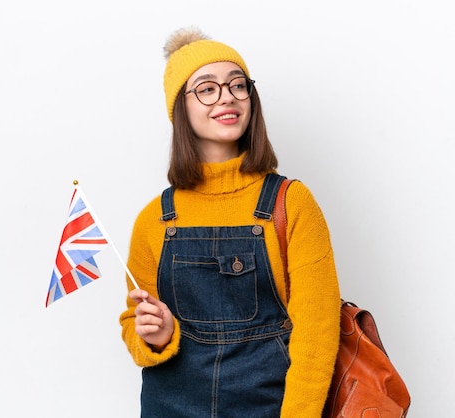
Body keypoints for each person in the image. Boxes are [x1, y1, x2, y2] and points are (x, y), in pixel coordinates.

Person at [119, 27, 341, 417]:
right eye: (207, 88)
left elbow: (316, 334)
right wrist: (156, 337)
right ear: (179, 107)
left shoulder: (292, 203)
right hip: (170, 406)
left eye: (238, 85)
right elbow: (134, 325)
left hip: (269, 407)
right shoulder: (153, 219)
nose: (227, 96)